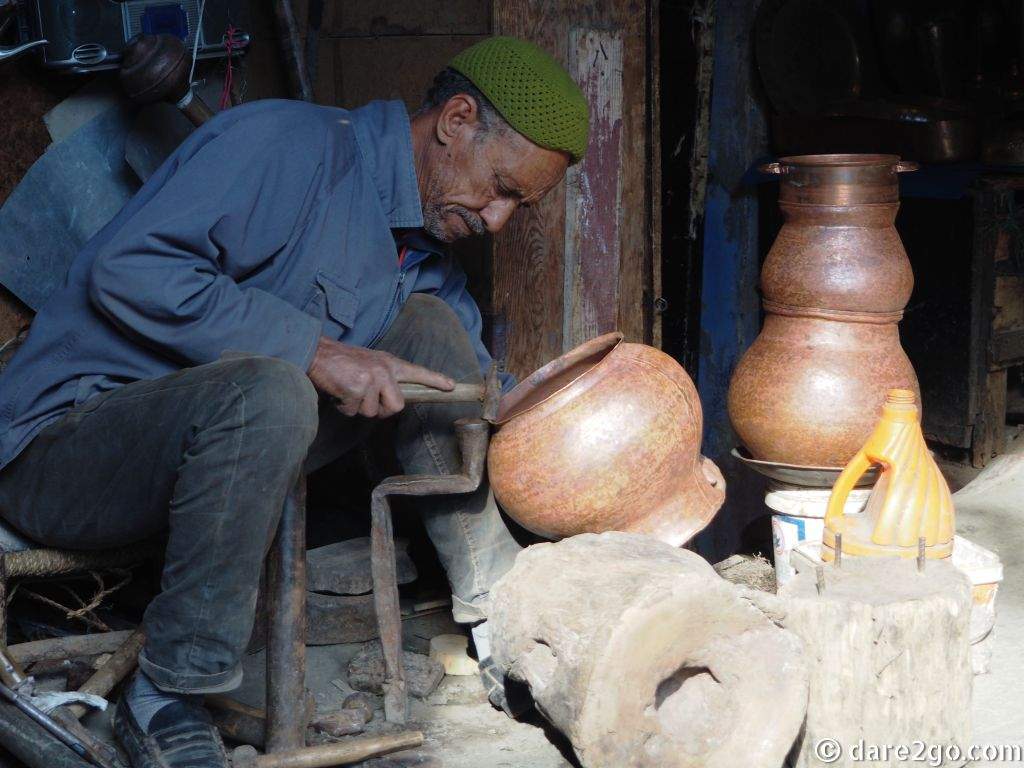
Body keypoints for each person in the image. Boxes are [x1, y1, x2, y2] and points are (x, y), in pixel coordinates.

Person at [0, 36, 588, 768]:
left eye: (518, 207)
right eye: (500, 187)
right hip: (69, 449)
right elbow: (131, 268)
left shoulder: (422, 246)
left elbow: (463, 371)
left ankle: (495, 612)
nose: (498, 219)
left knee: (434, 336)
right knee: (272, 386)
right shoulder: (282, 146)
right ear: (456, 119)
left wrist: (517, 403)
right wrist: (315, 352)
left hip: (221, 460)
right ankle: (169, 687)